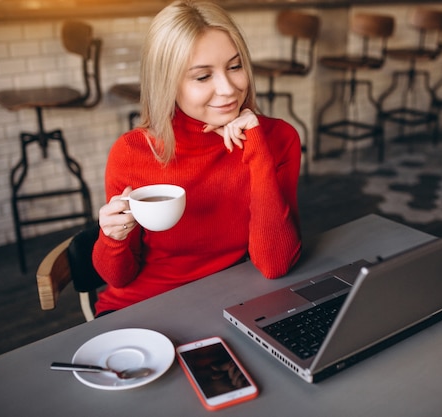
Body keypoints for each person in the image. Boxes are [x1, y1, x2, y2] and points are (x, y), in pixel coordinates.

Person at [92, 0, 302, 315]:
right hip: (141, 307)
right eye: (203, 77)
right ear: (167, 82)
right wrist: (112, 238)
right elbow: (118, 278)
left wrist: (256, 151)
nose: (229, 88)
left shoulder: (277, 139)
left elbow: (275, 265)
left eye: (235, 66)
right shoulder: (133, 152)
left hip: (226, 303)